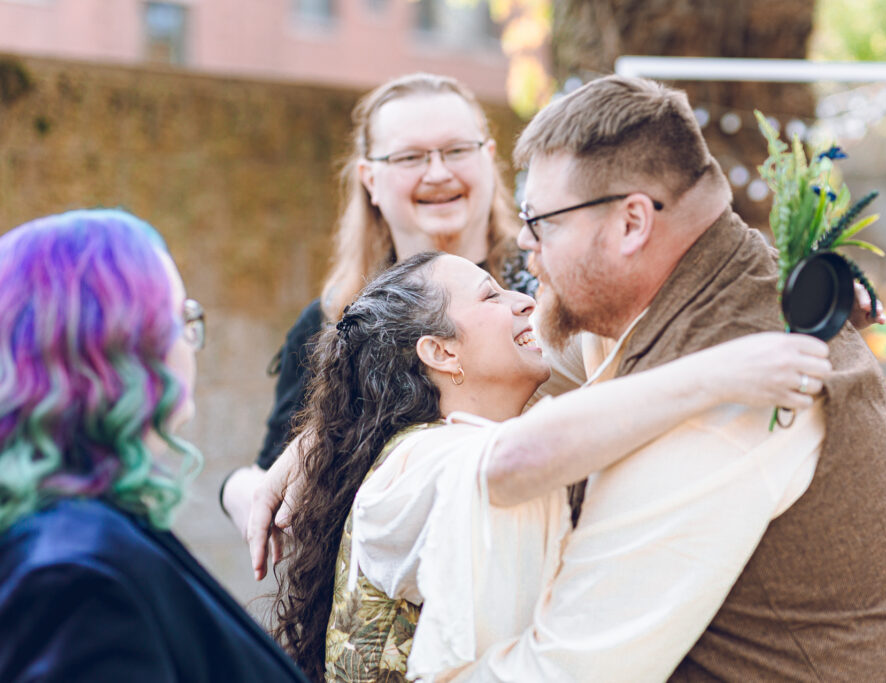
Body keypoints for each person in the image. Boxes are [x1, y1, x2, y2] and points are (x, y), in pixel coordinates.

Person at [445, 75, 886, 681]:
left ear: (631, 224)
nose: (523, 239)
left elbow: (569, 669)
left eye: (543, 220)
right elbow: (561, 358)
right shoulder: (728, 282)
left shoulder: (733, 392)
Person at [268, 250, 834, 681]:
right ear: (440, 352)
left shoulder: (470, 440)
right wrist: (721, 373)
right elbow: (511, 464)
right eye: (491, 297)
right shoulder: (411, 462)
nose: (523, 302)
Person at [0, 209, 306, 682]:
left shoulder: (84, 530)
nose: (191, 342)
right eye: (180, 317)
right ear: (114, 349)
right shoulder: (75, 579)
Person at [218, 72, 527, 537]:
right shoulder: (332, 321)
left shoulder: (545, 289)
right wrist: (235, 489)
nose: (439, 172)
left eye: (458, 150)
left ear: (489, 158)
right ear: (371, 180)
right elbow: (273, 473)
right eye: (410, 157)